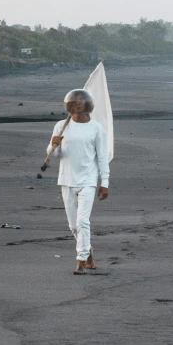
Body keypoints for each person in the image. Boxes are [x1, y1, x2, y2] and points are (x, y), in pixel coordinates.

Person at [47, 88, 110, 275]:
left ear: (88, 105)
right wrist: (53, 144)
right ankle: (88, 251)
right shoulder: (61, 125)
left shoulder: (96, 128)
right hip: (66, 179)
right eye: (74, 100)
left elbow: (102, 158)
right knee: (73, 226)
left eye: (81, 100)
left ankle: (81, 259)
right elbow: (55, 155)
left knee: (83, 221)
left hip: (88, 181)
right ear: (69, 105)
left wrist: (104, 182)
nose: (77, 103)